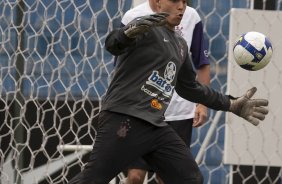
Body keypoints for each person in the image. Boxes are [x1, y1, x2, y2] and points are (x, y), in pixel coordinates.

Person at [68, 0, 268, 183]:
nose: (181, 7)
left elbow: (191, 88)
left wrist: (230, 103)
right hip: (124, 119)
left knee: (191, 179)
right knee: (93, 179)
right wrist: (127, 33)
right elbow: (113, 44)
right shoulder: (142, 28)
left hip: (156, 126)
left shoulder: (180, 44)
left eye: (184, 2)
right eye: (174, 1)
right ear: (157, 3)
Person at [121, 1, 210, 183]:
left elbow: (202, 63)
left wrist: (202, 103)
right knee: (136, 176)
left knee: (168, 177)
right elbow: (122, 66)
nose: (181, 6)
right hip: (141, 111)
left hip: (178, 113)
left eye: (184, 1)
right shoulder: (133, 17)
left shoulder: (192, 17)